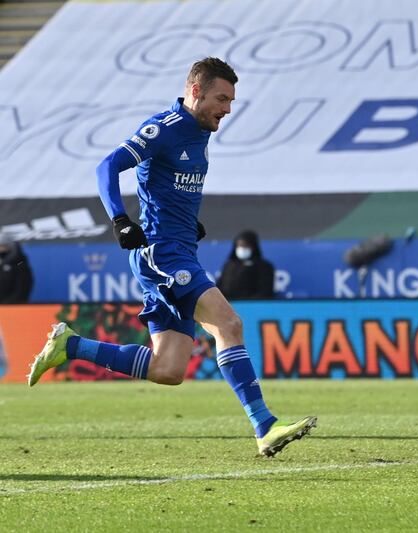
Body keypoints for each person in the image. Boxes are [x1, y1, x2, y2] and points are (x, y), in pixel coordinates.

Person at [27, 57, 315, 457]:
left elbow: (166, 185)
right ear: (195, 91)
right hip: (162, 253)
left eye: (231, 101)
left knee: (168, 370)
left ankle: (71, 347)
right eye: (222, 98)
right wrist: (120, 220)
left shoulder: (200, 130)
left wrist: (185, 220)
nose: (228, 109)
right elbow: (107, 166)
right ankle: (265, 425)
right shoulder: (166, 127)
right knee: (228, 324)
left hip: (179, 248)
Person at [218, 230, 275, 300]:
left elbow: (266, 291)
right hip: (227, 304)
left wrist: (248, 302)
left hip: (252, 305)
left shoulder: (264, 266)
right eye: (239, 245)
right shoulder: (229, 265)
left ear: (253, 247)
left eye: (246, 245)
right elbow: (219, 287)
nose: (242, 248)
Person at [0, 232, 33, 304]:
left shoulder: (19, 263)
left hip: (13, 307)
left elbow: (22, 289)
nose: (0, 249)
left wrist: (7, 305)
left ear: (10, 247)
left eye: (2, 246)